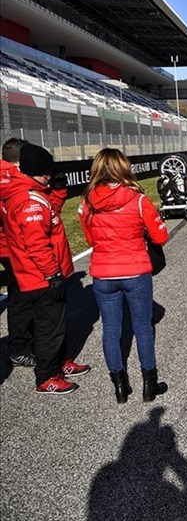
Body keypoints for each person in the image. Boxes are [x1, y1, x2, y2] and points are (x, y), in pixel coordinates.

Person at [79, 149, 169, 403]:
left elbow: (89, 239)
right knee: (142, 327)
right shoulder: (138, 199)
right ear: (123, 168)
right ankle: (149, 384)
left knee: (111, 330)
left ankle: (120, 385)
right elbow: (161, 236)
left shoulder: (87, 202)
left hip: (103, 273)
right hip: (135, 270)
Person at [3, 144, 89, 394]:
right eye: (47, 172)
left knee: (56, 323)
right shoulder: (28, 201)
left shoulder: (29, 193)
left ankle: (60, 362)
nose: (50, 176)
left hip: (38, 272)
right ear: (37, 172)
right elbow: (37, 244)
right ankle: (47, 376)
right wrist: (52, 273)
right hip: (40, 276)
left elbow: (49, 214)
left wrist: (57, 192)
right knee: (48, 327)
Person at [1, 138, 36, 368]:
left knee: (21, 295)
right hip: (11, 246)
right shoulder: (11, 179)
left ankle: (24, 342)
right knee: (22, 297)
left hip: (10, 245)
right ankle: (18, 348)